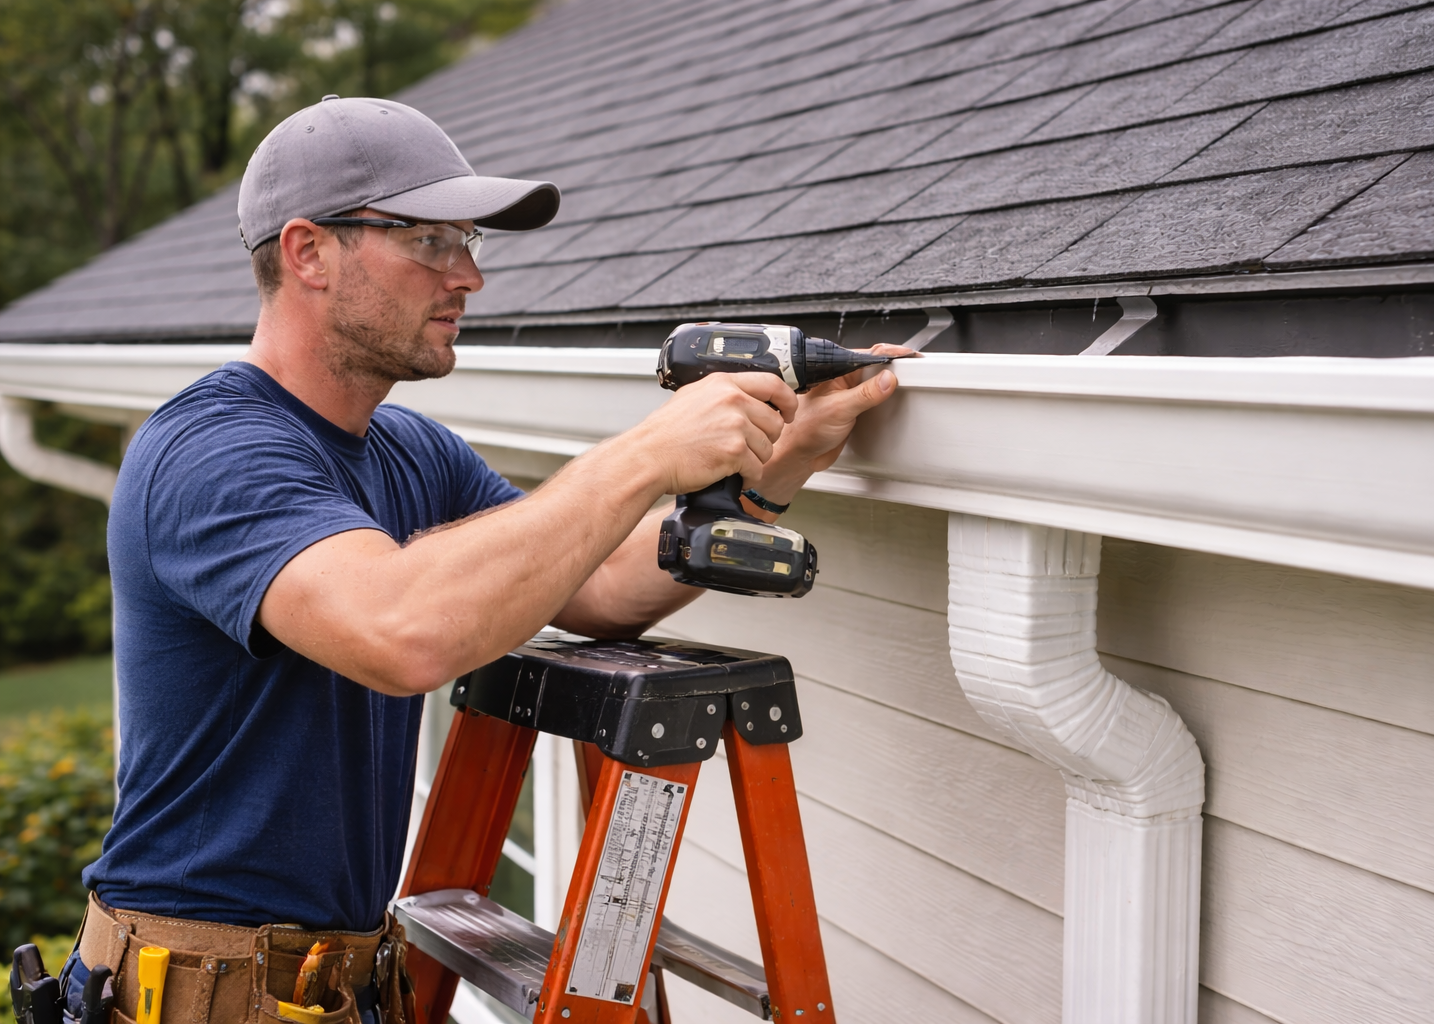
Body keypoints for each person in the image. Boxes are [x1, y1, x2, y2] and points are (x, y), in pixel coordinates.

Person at [58, 96, 905, 1024]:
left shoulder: (409, 452)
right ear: (308, 253)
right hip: (192, 993)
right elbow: (402, 633)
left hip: (337, 984)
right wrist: (644, 454)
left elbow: (601, 584)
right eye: (428, 241)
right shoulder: (212, 451)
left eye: (468, 241)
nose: (468, 276)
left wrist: (774, 470)